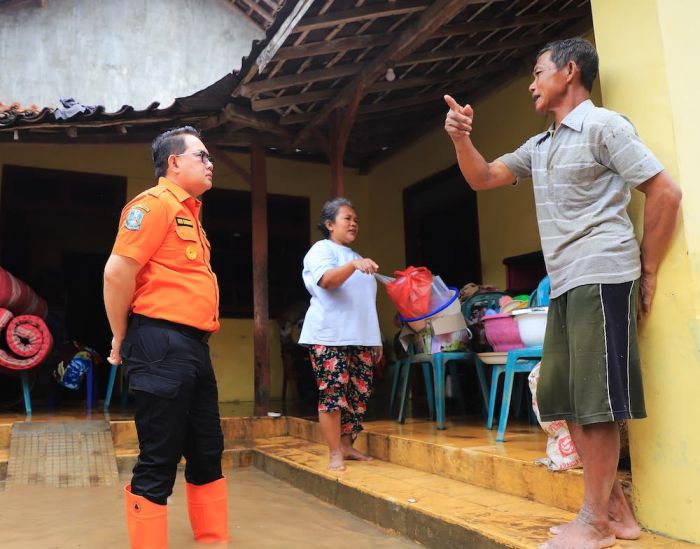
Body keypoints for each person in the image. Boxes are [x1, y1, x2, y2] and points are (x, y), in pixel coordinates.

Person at [444, 37, 681, 549]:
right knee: (564, 398)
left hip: (602, 273)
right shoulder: (541, 145)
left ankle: (595, 522)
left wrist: (650, 269)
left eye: (537, 71)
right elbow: (483, 176)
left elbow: (665, 190)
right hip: (566, 280)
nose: (531, 83)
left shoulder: (604, 126)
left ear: (569, 71)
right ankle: (618, 516)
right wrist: (462, 138)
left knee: (595, 403)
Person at [103, 126, 227, 548]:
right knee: (159, 457)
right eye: (202, 155)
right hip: (158, 342)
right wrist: (121, 336)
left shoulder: (192, 215)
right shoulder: (153, 205)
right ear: (174, 162)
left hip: (194, 346)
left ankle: (213, 540)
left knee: (208, 449)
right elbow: (117, 273)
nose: (211, 164)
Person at [298, 198, 383, 471]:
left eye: (356, 219)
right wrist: (353, 267)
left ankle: (347, 446)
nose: (354, 223)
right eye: (348, 218)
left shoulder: (358, 258)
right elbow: (328, 281)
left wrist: (375, 339)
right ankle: (334, 451)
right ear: (329, 224)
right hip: (329, 336)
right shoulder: (320, 250)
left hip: (361, 338)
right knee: (333, 395)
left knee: (358, 395)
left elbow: (365, 302)